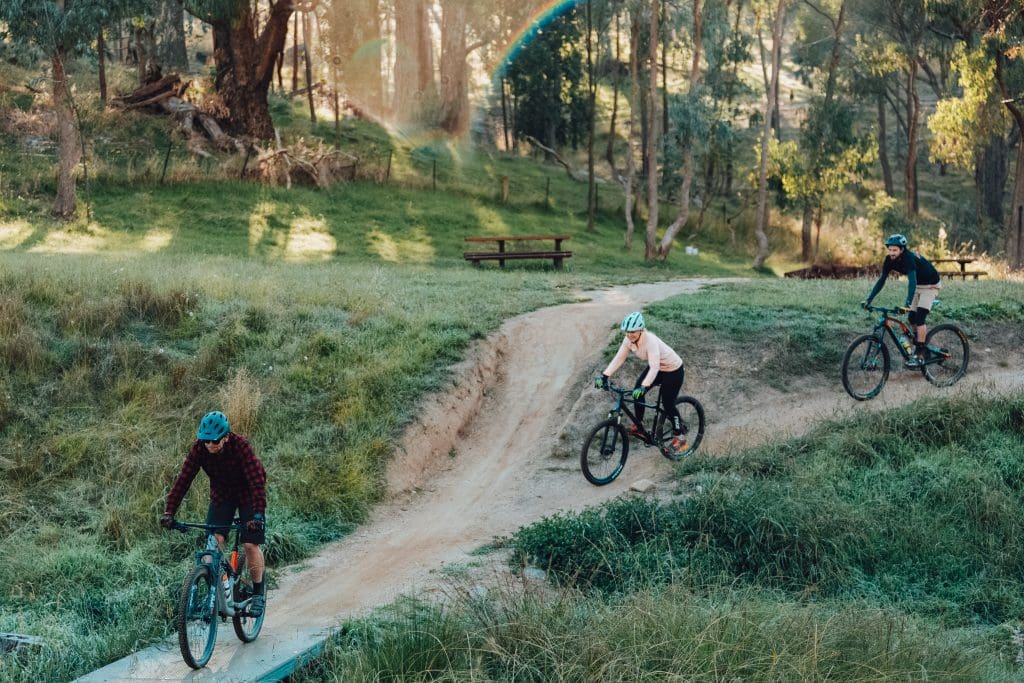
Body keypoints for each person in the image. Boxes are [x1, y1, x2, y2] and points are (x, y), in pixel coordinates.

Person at [160, 411, 268, 617]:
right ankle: (215, 594)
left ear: (226, 437)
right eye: (207, 441)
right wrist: (169, 511)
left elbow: (256, 481)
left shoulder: (241, 447)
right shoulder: (199, 449)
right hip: (222, 495)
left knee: (249, 544)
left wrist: (257, 515)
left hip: (248, 494)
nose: (210, 445)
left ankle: (258, 593)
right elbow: (183, 479)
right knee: (212, 546)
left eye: (215, 441)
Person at [595, 311, 688, 453]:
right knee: (636, 391)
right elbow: (619, 358)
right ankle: (639, 425)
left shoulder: (650, 340)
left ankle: (679, 434)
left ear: (641, 329)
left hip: (673, 369)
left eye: (633, 331)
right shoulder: (628, 340)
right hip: (657, 368)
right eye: (627, 332)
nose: (629, 334)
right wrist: (605, 376)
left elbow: (655, 367)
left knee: (667, 402)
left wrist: (645, 387)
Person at [861, 233, 941, 368]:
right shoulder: (889, 260)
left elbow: (912, 281)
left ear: (902, 249)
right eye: (890, 250)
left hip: (930, 285)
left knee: (920, 317)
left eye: (895, 250)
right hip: (918, 285)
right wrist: (868, 299)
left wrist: (907, 304)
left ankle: (921, 352)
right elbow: (881, 280)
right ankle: (918, 342)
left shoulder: (908, 258)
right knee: (911, 318)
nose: (892, 253)